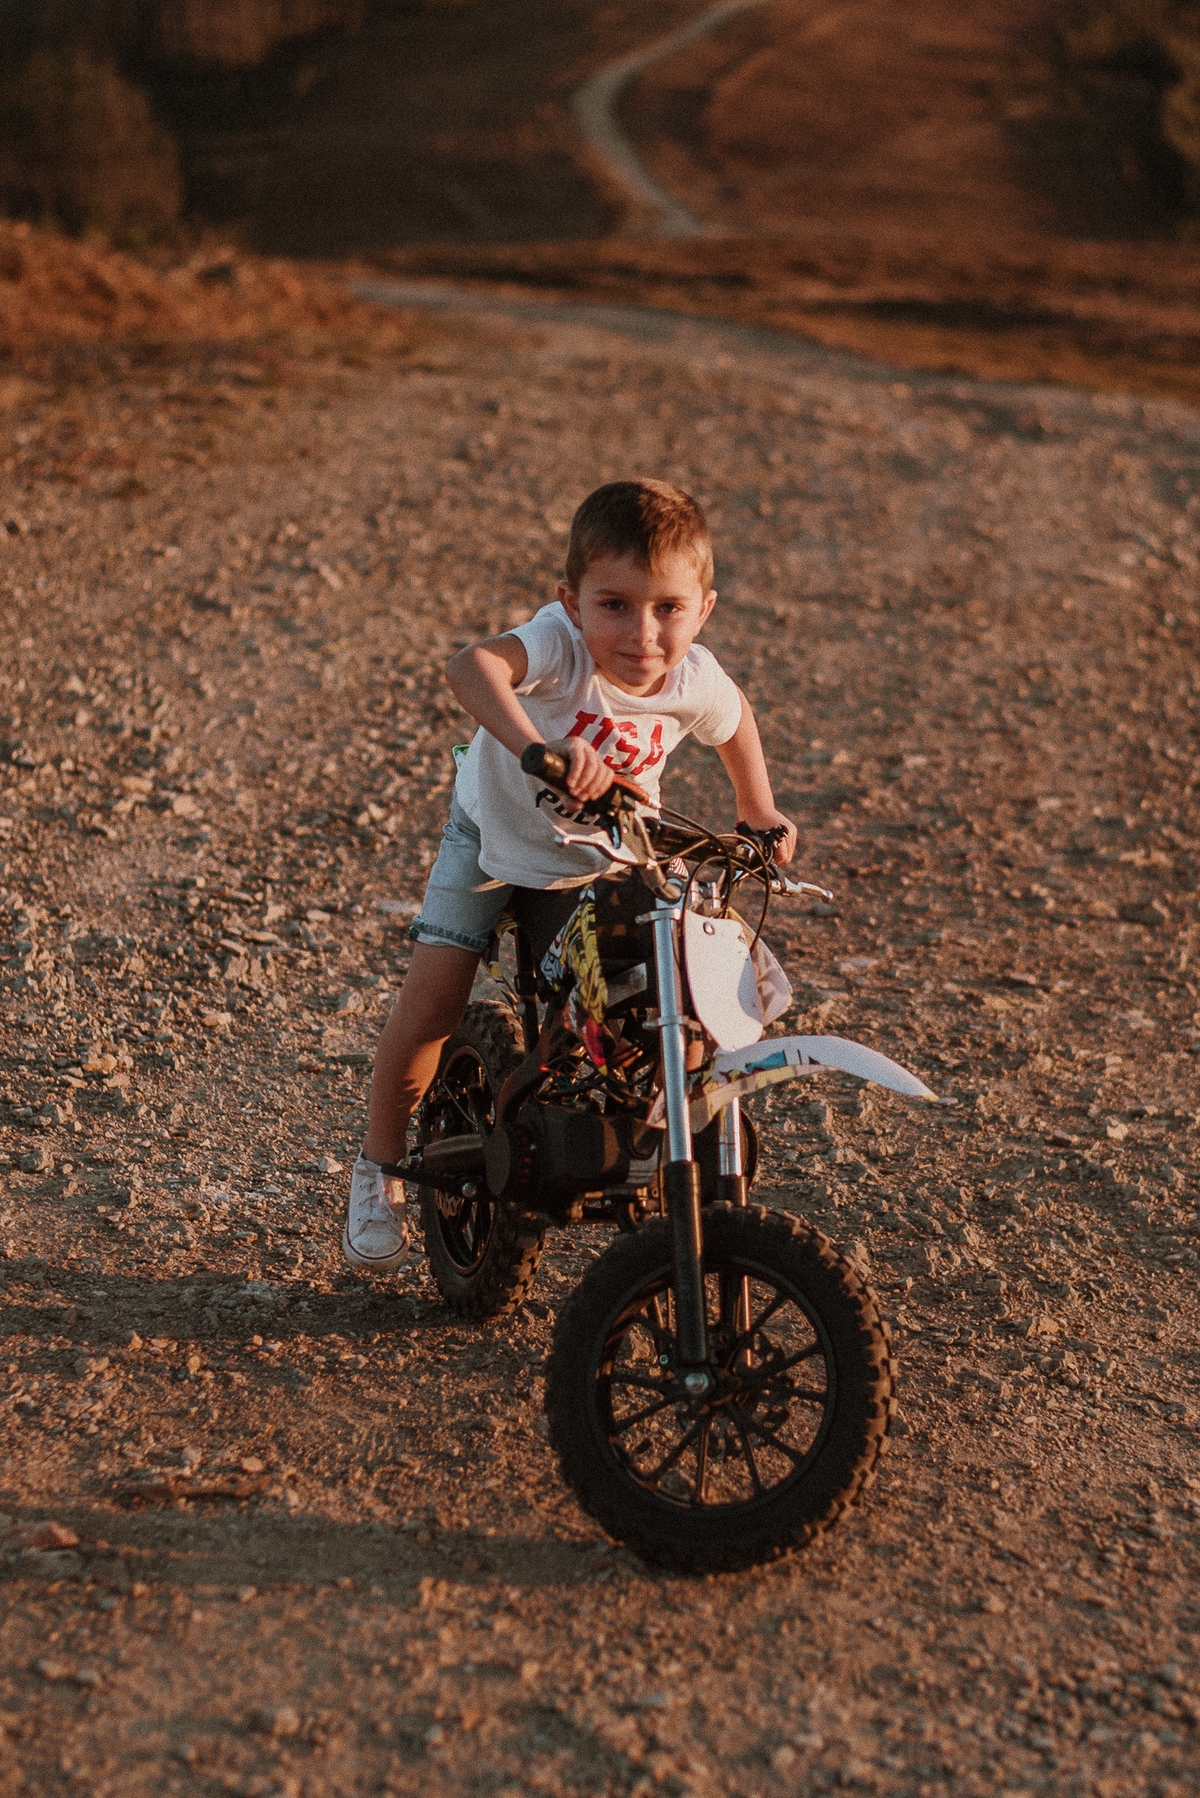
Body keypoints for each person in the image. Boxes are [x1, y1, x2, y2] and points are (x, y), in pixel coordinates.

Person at [343, 478, 797, 1271]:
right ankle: (378, 1169)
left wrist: (758, 809)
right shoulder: (557, 644)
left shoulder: (692, 678)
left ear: (703, 610)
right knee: (433, 1002)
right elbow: (471, 665)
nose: (642, 633)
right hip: (493, 832)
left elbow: (735, 721)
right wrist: (534, 748)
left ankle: (645, 1136)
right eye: (613, 605)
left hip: (603, 848)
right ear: (572, 602)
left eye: (668, 608)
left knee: (665, 981)